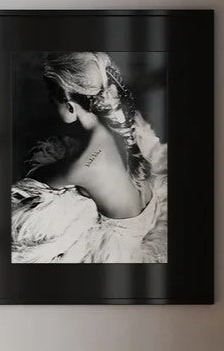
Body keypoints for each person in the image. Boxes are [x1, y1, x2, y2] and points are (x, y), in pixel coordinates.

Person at [11, 51, 167, 265]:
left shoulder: (82, 165)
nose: (49, 103)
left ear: (69, 106)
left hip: (124, 238)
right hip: (148, 206)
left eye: (51, 99)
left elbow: (37, 180)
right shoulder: (121, 123)